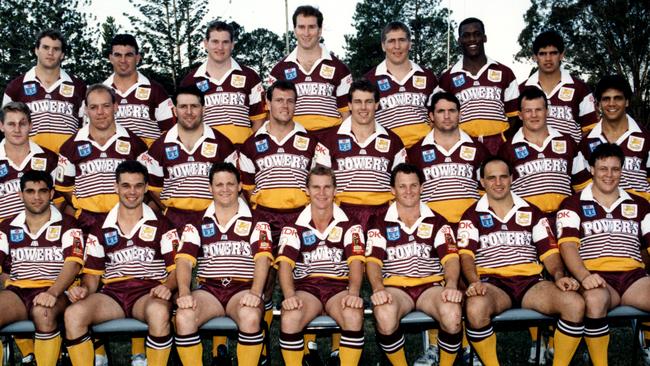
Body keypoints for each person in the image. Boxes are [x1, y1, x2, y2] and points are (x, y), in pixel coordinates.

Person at [458, 156, 585, 366]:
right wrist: (474, 281)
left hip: (530, 283)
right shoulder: (471, 216)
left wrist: (559, 276)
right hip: (493, 283)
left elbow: (549, 253)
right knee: (475, 308)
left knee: (575, 303)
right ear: (482, 182)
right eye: (491, 178)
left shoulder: (532, 211)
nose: (498, 183)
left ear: (511, 178)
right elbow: (466, 257)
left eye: (503, 177)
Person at [63, 160, 178, 366]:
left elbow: (178, 269)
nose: (131, 191)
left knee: (159, 312)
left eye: (138, 185)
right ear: (116, 187)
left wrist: (168, 286)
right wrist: (84, 290)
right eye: (125, 185)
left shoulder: (162, 224)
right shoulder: (100, 227)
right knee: (74, 314)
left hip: (148, 292)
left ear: (146, 188)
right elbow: (92, 276)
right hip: (113, 295)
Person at [239, 79, 317, 361]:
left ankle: (308, 346)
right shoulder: (252, 144)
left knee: (304, 278)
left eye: (290, 101)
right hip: (265, 217)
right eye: (279, 100)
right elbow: (246, 190)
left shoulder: (310, 141)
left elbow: (319, 184)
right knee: (266, 279)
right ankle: (261, 343)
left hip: (299, 218)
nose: (285, 106)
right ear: (268, 104)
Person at [557, 143, 650, 366]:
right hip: (597, 276)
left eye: (615, 169)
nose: (609, 175)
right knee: (594, 300)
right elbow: (567, 247)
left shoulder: (639, 204)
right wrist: (584, 275)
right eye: (602, 169)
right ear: (591, 169)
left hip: (633, 278)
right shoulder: (573, 203)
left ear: (622, 170)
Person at [174, 162, 273, 366]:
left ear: (239, 186)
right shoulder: (197, 222)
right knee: (184, 317)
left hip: (243, 287)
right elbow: (184, 260)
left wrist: (255, 292)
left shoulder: (258, 221)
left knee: (250, 315)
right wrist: (184, 292)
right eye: (219, 184)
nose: (225, 189)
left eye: (230, 183)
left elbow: (263, 258)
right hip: (210, 289)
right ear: (210, 188)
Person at [366, 163, 463, 366]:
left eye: (413, 185)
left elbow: (451, 259)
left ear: (421, 187)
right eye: (402, 186)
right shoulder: (379, 221)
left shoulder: (437, 221)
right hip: (397, 288)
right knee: (384, 313)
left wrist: (452, 284)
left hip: (430, 287)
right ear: (392, 190)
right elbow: (373, 262)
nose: (408, 191)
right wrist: (378, 288)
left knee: (453, 313)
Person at [276, 166, 365, 366]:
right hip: (307, 288)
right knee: (290, 317)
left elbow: (357, 262)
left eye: (327, 187)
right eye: (316, 187)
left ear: (335, 190)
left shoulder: (351, 224)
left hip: (338, 288)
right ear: (307, 190)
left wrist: (354, 292)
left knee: (352, 313)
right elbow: (284, 265)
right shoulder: (293, 226)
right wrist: (290, 296)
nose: (322, 193)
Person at [0, 170, 84, 366]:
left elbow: (73, 264)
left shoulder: (69, 224)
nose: (36, 197)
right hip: (18, 292)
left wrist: (53, 292)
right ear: (20, 195)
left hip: (55, 290)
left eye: (42, 191)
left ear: (51, 193)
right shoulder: (7, 226)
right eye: (30, 191)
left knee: (42, 313)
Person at [138, 85, 237, 233]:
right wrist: (170, 212)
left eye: (194, 106)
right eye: (183, 106)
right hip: (173, 220)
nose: (189, 112)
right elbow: (154, 189)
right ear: (175, 110)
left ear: (203, 109)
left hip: (212, 217)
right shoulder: (159, 147)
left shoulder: (222, 143)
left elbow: (234, 186)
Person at [314, 78, 406, 231]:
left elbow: (403, 183)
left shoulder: (393, 140)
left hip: (382, 214)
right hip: (342, 214)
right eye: (357, 102)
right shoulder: (329, 139)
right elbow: (319, 183)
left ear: (377, 104)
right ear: (349, 105)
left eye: (369, 102)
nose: (363, 107)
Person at [55, 84, 148, 232]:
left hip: (126, 220)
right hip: (86, 222)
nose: (100, 112)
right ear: (86, 110)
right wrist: (85, 206)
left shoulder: (136, 144)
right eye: (93, 107)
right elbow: (64, 187)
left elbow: (145, 185)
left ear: (115, 106)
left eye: (106, 106)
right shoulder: (69, 146)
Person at [435, 18, 519, 155]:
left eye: (477, 34)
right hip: (463, 144)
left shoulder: (505, 72)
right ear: (459, 40)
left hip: (498, 143)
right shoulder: (447, 78)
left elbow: (514, 115)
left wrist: (503, 140)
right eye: (466, 36)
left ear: (484, 38)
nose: (472, 39)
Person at [499, 87, 587, 215]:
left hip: (563, 217)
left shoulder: (568, 143)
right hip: (526, 220)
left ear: (547, 111)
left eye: (538, 109)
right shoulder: (507, 148)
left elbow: (582, 185)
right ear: (520, 115)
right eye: (528, 111)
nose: (534, 115)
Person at [267, 5, 352, 138]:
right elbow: (271, 114)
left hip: (330, 139)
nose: (306, 33)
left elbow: (347, 115)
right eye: (301, 27)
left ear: (319, 30)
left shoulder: (339, 68)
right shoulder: (279, 70)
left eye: (311, 27)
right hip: (293, 139)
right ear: (295, 30)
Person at [408, 92, 488, 225]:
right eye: (441, 111)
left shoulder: (479, 149)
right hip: (431, 225)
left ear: (460, 114)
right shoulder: (415, 152)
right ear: (432, 116)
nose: (447, 116)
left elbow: (488, 189)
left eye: (452, 110)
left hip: (471, 223)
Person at [181, 21, 266, 146]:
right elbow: (185, 124)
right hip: (206, 153)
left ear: (232, 45)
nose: (220, 47)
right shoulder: (190, 81)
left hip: (241, 152)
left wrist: (249, 149)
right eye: (215, 42)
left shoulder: (250, 76)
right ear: (206, 44)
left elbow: (259, 120)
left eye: (225, 42)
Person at [2, 29, 86, 153]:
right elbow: (6, 128)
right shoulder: (16, 87)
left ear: (62, 55)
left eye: (56, 49)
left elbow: (85, 128)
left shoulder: (79, 87)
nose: (50, 53)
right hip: (30, 160)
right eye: (45, 47)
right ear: (36, 50)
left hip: (67, 161)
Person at [364, 21, 437, 148]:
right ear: (383, 45)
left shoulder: (428, 76)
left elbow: (439, 115)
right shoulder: (369, 80)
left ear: (409, 44)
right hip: (387, 149)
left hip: (424, 150)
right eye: (391, 41)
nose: (397, 46)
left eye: (402, 40)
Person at [576, 75, 650, 201]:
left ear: (627, 101)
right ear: (598, 103)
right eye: (606, 99)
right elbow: (583, 187)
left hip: (641, 215)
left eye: (618, 98)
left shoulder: (646, 138)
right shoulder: (586, 142)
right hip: (601, 216)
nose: (612, 104)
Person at [520, 30, 598, 144]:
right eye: (542, 53)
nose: (548, 59)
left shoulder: (580, 88)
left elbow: (590, 129)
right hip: (532, 159)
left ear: (562, 55)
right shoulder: (522, 89)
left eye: (553, 53)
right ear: (535, 57)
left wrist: (574, 151)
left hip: (572, 159)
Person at [104, 34, 175, 146]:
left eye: (129, 55)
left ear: (137, 58)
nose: (123, 60)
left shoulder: (156, 91)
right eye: (118, 55)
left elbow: (172, 132)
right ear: (110, 58)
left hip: (147, 161)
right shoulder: (101, 92)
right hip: (112, 160)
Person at [0, 102, 59, 222]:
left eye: (22, 124)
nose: (17, 129)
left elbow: (60, 200)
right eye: (11, 124)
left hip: (43, 232)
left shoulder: (50, 159)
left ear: (31, 126)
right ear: (1, 126)